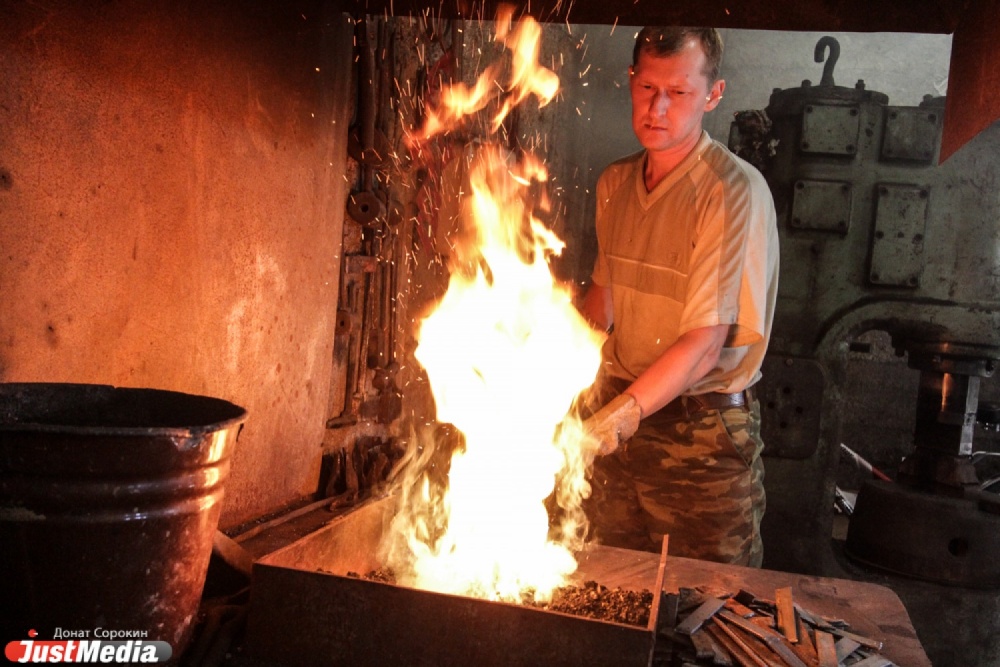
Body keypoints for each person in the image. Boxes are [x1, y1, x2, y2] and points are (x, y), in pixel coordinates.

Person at [579, 26, 779, 567]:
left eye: (680, 92)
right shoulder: (615, 184)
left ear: (713, 95)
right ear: (631, 81)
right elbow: (601, 307)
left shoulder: (730, 191)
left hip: (700, 438)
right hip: (616, 430)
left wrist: (619, 417)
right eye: (648, 88)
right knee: (607, 588)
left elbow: (705, 344)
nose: (658, 108)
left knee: (705, 600)